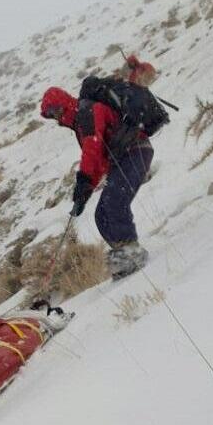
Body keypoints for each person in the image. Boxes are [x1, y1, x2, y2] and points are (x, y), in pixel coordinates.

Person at [40, 86, 154, 280]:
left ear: (64, 102)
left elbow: (92, 149)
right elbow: (99, 161)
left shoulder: (86, 112)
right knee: (101, 214)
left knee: (113, 202)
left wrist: (83, 179)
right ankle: (123, 255)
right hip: (121, 159)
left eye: (56, 109)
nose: (56, 116)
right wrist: (85, 192)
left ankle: (132, 252)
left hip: (135, 150)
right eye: (51, 114)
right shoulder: (79, 123)